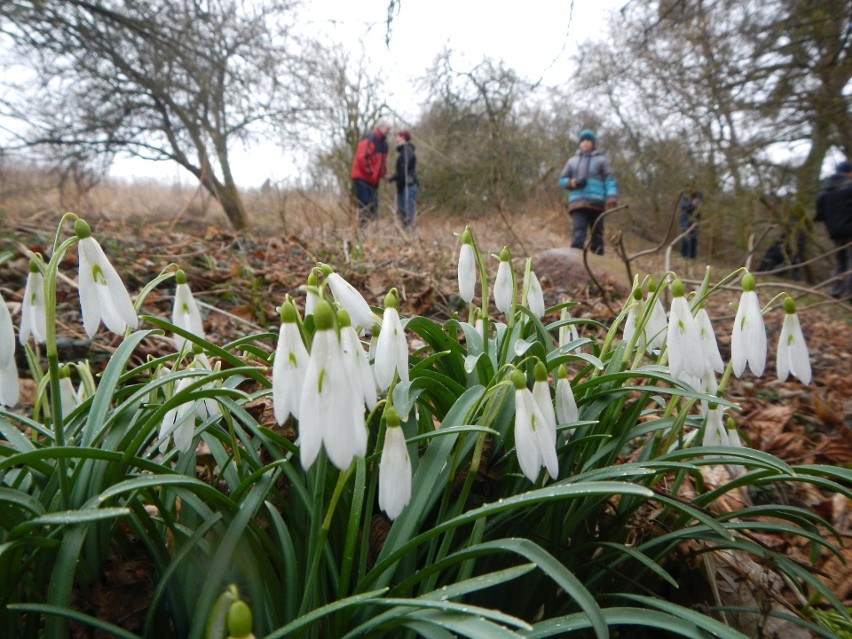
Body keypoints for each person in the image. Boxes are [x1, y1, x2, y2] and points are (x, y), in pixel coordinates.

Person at [558, 130, 618, 255]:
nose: (585, 143)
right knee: (578, 232)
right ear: (580, 144)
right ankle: (575, 260)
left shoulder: (602, 160)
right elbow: (562, 180)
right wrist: (572, 183)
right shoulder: (572, 161)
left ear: (593, 143)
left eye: (588, 141)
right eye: (583, 141)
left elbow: (609, 179)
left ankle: (598, 263)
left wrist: (612, 196)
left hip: (597, 203)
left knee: (597, 235)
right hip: (577, 202)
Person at [815, 159, 852, 298]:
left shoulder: (825, 191)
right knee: (850, 262)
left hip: (835, 232)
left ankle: (836, 290)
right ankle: (850, 294)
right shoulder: (849, 188)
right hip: (849, 230)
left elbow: (819, 215)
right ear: (849, 173)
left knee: (841, 262)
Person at [350, 119, 391, 225]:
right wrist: (372, 174)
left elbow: (383, 162)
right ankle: (362, 228)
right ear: (380, 127)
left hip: (373, 180)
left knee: (374, 205)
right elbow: (362, 158)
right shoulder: (369, 139)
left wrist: (383, 174)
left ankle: (371, 229)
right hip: (362, 177)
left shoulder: (384, 145)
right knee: (364, 202)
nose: (389, 131)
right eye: (387, 129)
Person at [387, 129, 419, 229]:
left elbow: (404, 169)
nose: (396, 138)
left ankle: (410, 231)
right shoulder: (402, 151)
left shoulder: (407, 150)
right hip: (402, 186)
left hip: (408, 185)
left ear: (402, 137)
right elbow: (401, 171)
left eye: (397, 136)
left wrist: (393, 178)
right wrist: (392, 178)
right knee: (401, 211)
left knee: (408, 210)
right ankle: (405, 230)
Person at [678, 190, 703, 259]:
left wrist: (697, 220)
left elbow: (699, 213)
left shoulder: (699, 198)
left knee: (694, 238)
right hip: (685, 220)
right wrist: (692, 204)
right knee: (685, 237)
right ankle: (684, 255)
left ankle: (692, 256)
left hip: (694, 221)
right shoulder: (685, 197)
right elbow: (683, 206)